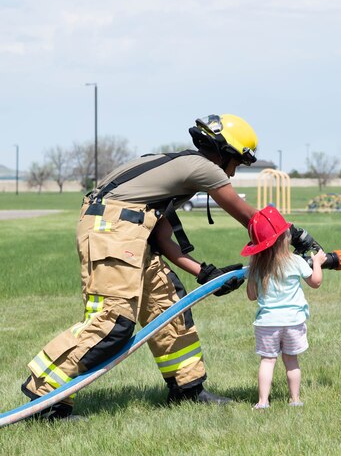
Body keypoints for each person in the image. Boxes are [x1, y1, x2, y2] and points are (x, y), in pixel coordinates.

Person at [22, 114, 261, 420]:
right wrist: (294, 237)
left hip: (130, 232)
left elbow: (161, 237)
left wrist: (204, 273)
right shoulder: (203, 168)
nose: (235, 172)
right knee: (113, 322)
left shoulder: (172, 167)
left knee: (169, 306)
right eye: (238, 163)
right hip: (113, 232)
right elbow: (250, 218)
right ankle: (43, 395)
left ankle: (187, 389)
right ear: (226, 152)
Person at [240, 206, 325, 410]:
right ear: (285, 238)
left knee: (267, 361)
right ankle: (295, 400)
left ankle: (262, 402)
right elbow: (316, 282)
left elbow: (252, 296)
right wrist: (318, 263)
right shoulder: (295, 261)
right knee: (291, 361)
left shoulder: (256, 268)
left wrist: (252, 272)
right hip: (293, 321)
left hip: (267, 323)